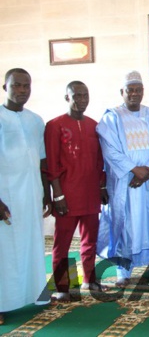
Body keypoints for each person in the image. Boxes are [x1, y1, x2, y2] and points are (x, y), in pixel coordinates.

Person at [96, 71, 149, 288]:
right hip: (125, 183)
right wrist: (133, 170)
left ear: (143, 92)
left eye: (138, 90)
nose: (134, 94)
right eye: (130, 90)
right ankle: (123, 271)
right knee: (126, 225)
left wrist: (145, 170)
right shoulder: (111, 118)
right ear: (122, 92)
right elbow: (110, 150)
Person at [45, 81, 109, 302]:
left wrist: (102, 186)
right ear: (67, 98)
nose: (82, 100)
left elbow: (100, 161)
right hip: (67, 195)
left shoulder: (94, 125)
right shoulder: (55, 125)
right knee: (62, 242)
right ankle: (65, 286)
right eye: (77, 96)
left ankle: (90, 279)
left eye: (85, 95)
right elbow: (51, 164)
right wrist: (58, 195)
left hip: (90, 193)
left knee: (90, 240)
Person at [0, 68, 51, 325]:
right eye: (16, 85)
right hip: (4, 196)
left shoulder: (35, 120)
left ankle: (33, 294)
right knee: (4, 250)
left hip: (31, 193)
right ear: (5, 87)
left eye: (26, 86)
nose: (21, 91)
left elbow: (41, 159)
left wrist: (46, 193)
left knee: (31, 244)